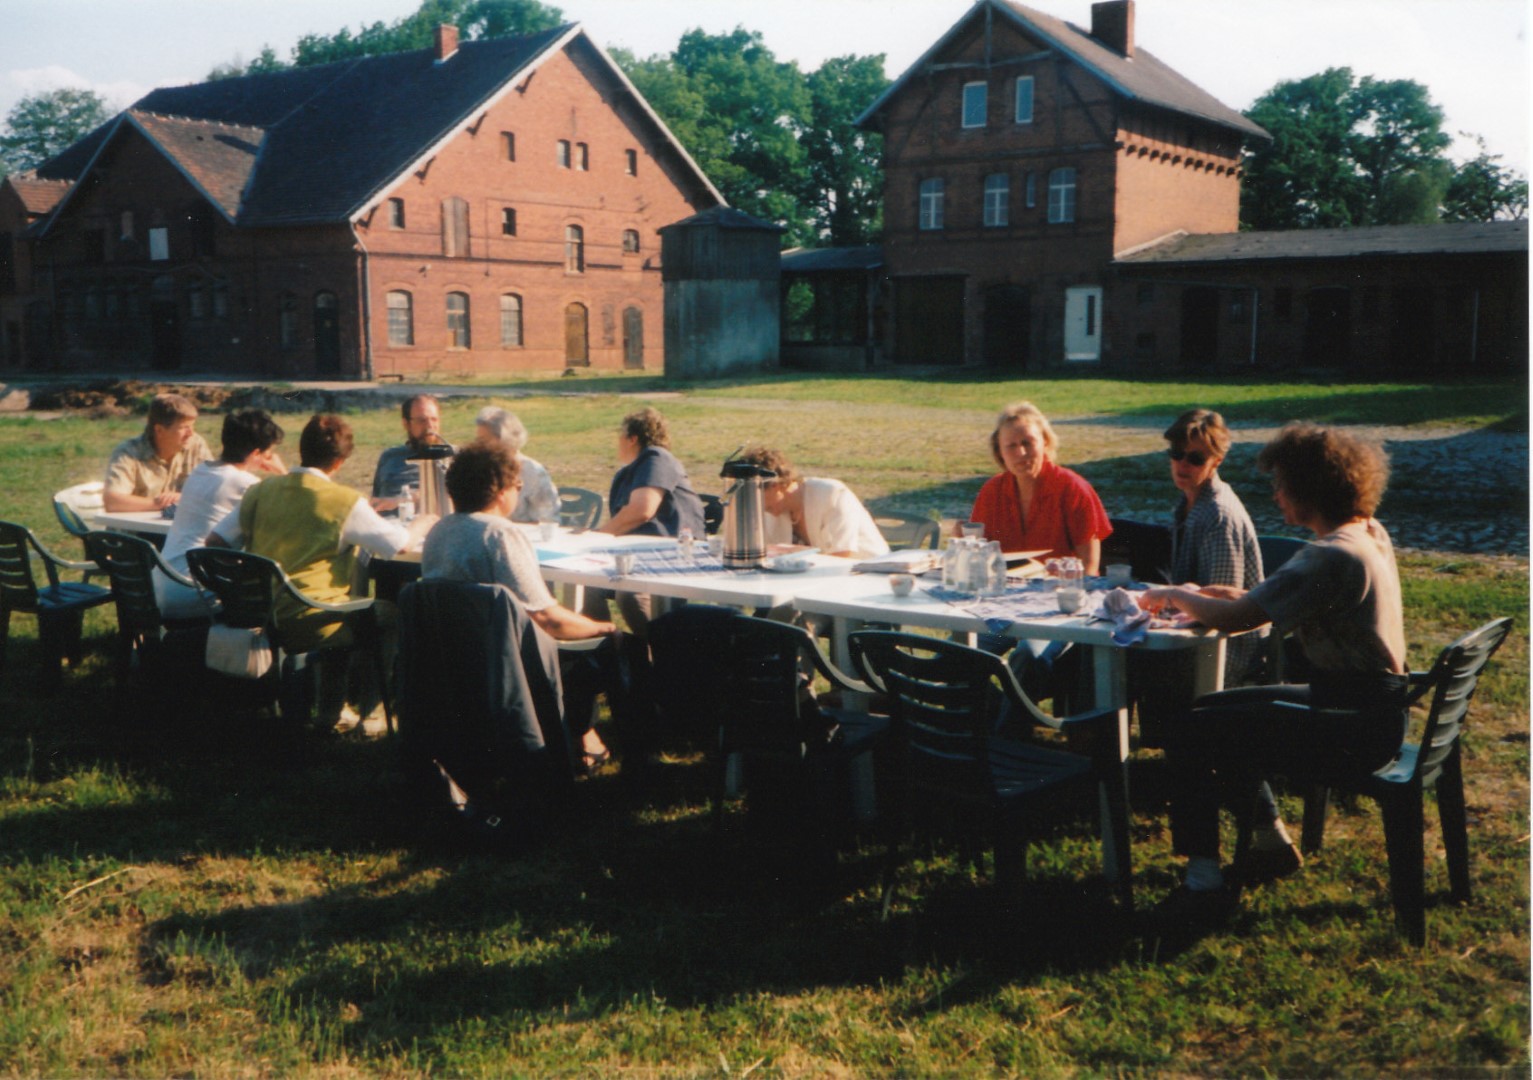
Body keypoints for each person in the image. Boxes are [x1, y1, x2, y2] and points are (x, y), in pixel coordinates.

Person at [1140, 423, 1406, 925]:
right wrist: (1212, 593)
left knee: (1189, 728)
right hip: (1371, 707)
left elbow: (1237, 620)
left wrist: (1176, 594)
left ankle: (1203, 884)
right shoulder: (1366, 532)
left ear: (1310, 490)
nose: (1276, 494)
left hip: (1353, 724)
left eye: (1282, 484)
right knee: (1217, 711)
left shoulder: (1330, 555)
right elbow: (1263, 600)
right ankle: (1270, 844)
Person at [1135, 409, 1299, 882]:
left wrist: (1170, 603)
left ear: (1217, 459)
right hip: (1205, 637)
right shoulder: (1189, 504)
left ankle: (1200, 860)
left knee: (1175, 714)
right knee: (1131, 670)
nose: (1182, 464)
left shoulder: (1217, 514)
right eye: (1176, 454)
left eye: (1195, 457)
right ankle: (1269, 836)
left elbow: (1223, 610)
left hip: (1233, 649)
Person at [423, 441, 654, 773]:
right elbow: (548, 619)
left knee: (591, 650)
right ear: (500, 491)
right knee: (623, 646)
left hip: (459, 662)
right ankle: (638, 760)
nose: (519, 490)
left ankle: (580, 737)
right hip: (511, 666)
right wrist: (602, 627)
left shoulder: (439, 532)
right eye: (517, 485)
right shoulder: (499, 534)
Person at [210, 414, 435, 729]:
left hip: (262, 614)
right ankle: (370, 713)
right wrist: (422, 523)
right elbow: (398, 544)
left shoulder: (261, 491)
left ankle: (332, 711)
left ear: (301, 449)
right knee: (388, 617)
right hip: (313, 618)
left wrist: (241, 588)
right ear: (340, 462)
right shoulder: (344, 501)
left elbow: (215, 543)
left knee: (344, 607)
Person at [154, 409, 287, 621]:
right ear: (255, 454)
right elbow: (291, 508)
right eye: (267, 454)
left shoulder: (200, 471)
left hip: (160, 585)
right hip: (193, 591)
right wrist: (282, 473)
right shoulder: (246, 483)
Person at [584, 407, 706, 635]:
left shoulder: (656, 458)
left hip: (672, 553)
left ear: (632, 438)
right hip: (643, 553)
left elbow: (642, 510)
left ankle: (656, 650)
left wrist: (597, 536)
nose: (617, 441)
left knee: (630, 594)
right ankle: (608, 649)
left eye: (620, 435)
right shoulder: (630, 471)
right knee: (589, 584)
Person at [966, 401, 1112, 570]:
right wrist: (966, 542)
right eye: (1011, 446)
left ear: (1045, 442)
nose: (1021, 453)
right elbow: (978, 560)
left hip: (1061, 585)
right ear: (1000, 452)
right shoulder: (992, 491)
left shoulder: (1073, 489)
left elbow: (1089, 566)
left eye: (1027, 443)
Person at [736, 445, 890, 559]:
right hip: (812, 580)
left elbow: (841, 556)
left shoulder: (832, 494)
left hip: (869, 574)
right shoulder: (772, 510)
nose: (754, 505)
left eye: (755, 496)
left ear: (776, 486)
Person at [102, 393, 213, 511]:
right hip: (138, 523)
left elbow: (216, 487)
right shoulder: (128, 453)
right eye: (183, 427)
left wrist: (183, 499)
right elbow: (112, 502)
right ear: (159, 430)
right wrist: (162, 503)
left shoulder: (195, 444)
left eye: (192, 426)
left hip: (181, 522)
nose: (190, 433)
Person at [475, 406, 559, 525]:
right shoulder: (477, 469)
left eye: (483, 441)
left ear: (506, 440)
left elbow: (547, 519)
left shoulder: (533, 472)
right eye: (478, 441)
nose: (478, 446)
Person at [371, 394, 454, 513]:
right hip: (390, 521)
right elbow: (376, 499)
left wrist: (404, 500)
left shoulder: (454, 456)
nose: (430, 426)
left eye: (434, 419)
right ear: (406, 424)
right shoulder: (390, 457)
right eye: (422, 420)